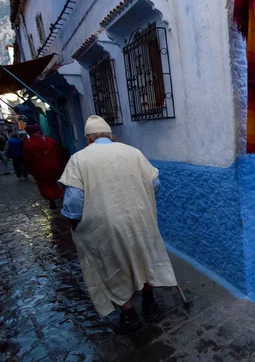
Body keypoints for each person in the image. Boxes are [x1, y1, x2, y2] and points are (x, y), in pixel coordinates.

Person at [59, 115, 177, 334]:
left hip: (105, 225)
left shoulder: (79, 159)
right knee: (144, 257)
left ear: (88, 140)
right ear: (112, 137)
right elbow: (155, 184)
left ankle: (130, 315)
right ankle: (150, 306)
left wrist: (74, 223)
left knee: (112, 265)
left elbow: (74, 202)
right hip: (140, 218)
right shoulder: (134, 152)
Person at [23, 125, 67, 209]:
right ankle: (62, 197)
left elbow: (27, 158)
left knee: (45, 186)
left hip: (40, 169)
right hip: (55, 167)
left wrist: (29, 169)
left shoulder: (28, 143)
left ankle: (52, 202)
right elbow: (59, 153)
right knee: (56, 183)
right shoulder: (49, 140)